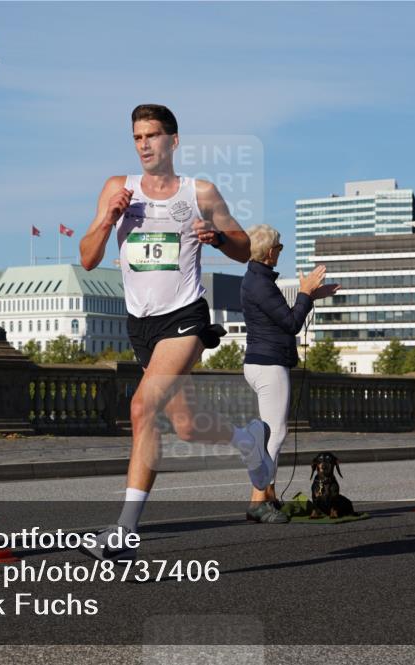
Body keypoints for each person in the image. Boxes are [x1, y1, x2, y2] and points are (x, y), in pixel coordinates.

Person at [78, 104, 273, 560]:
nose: (144, 145)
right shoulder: (116, 188)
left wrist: (218, 238)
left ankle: (125, 531)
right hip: (140, 324)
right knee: (186, 426)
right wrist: (110, 219)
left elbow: (245, 249)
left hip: (185, 317)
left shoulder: (199, 192)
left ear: (174, 141)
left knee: (142, 408)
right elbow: (88, 257)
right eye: (137, 137)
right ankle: (248, 441)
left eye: (152, 136)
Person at [241, 225, 339, 523]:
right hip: (270, 365)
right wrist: (306, 293)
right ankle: (260, 500)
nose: (280, 251)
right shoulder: (260, 283)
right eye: (280, 247)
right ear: (270, 252)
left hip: (260, 362)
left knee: (271, 434)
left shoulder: (256, 279)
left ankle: (266, 497)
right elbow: (292, 323)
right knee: (275, 435)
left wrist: (310, 296)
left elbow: (283, 316)